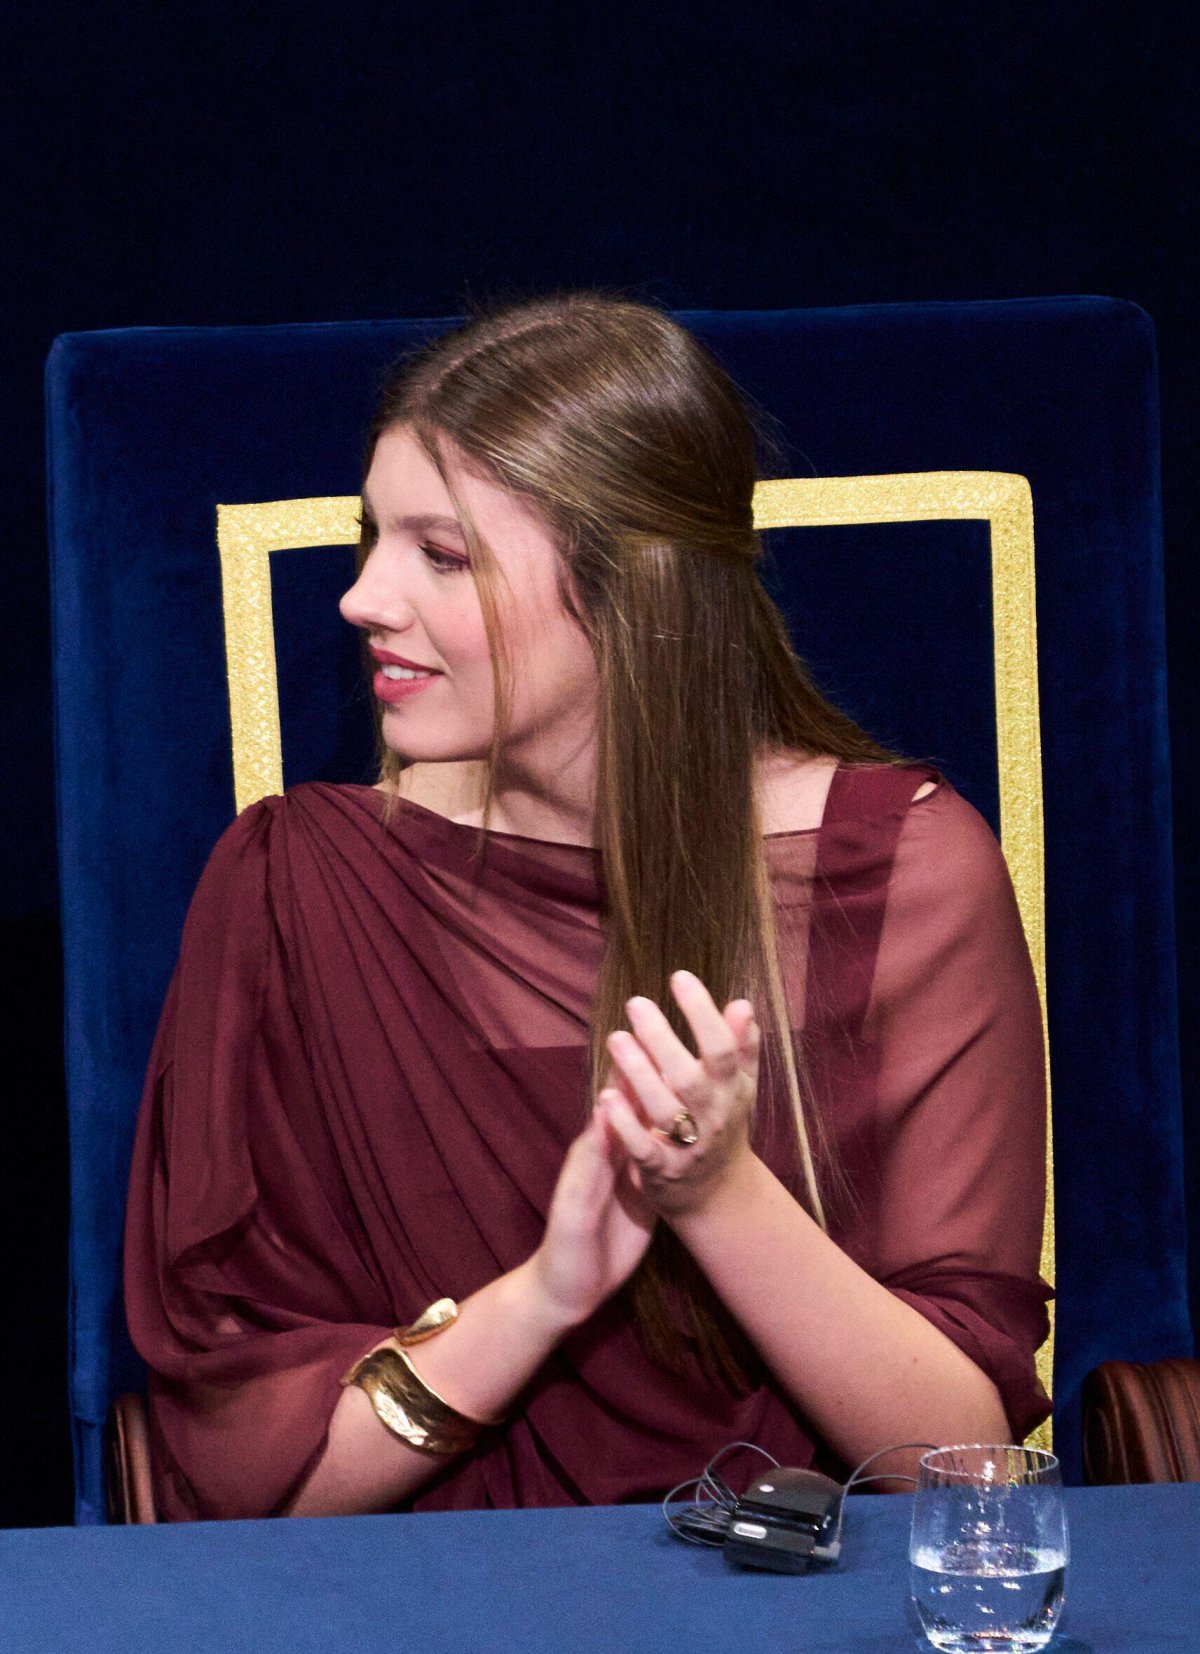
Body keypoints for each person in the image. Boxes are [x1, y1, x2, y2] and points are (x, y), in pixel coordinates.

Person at [123, 291, 1051, 1522]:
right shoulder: (299, 886)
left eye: (441, 554)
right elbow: (251, 1493)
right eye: (372, 538)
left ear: (634, 594)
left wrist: (718, 1193)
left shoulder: (909, 869)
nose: (359, 597)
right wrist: (544, 1294)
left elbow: (961, 1466)